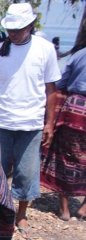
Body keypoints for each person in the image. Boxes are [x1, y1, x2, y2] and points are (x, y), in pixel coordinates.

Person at [0, 3, 61, 238]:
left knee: (26, 172)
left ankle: (21, 214)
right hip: (2, 122)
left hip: (31, 124)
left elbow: (51, 90)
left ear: (30, 26)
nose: (14, 33)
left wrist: (49, 123)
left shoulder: (45, 49)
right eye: (11, 29)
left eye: (19, 29)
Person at [41, 45, 86, 221]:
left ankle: (64, 209)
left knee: (65, 156)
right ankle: (84, 209)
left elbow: (60, 83)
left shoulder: (79, 54)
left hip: (75, 109)